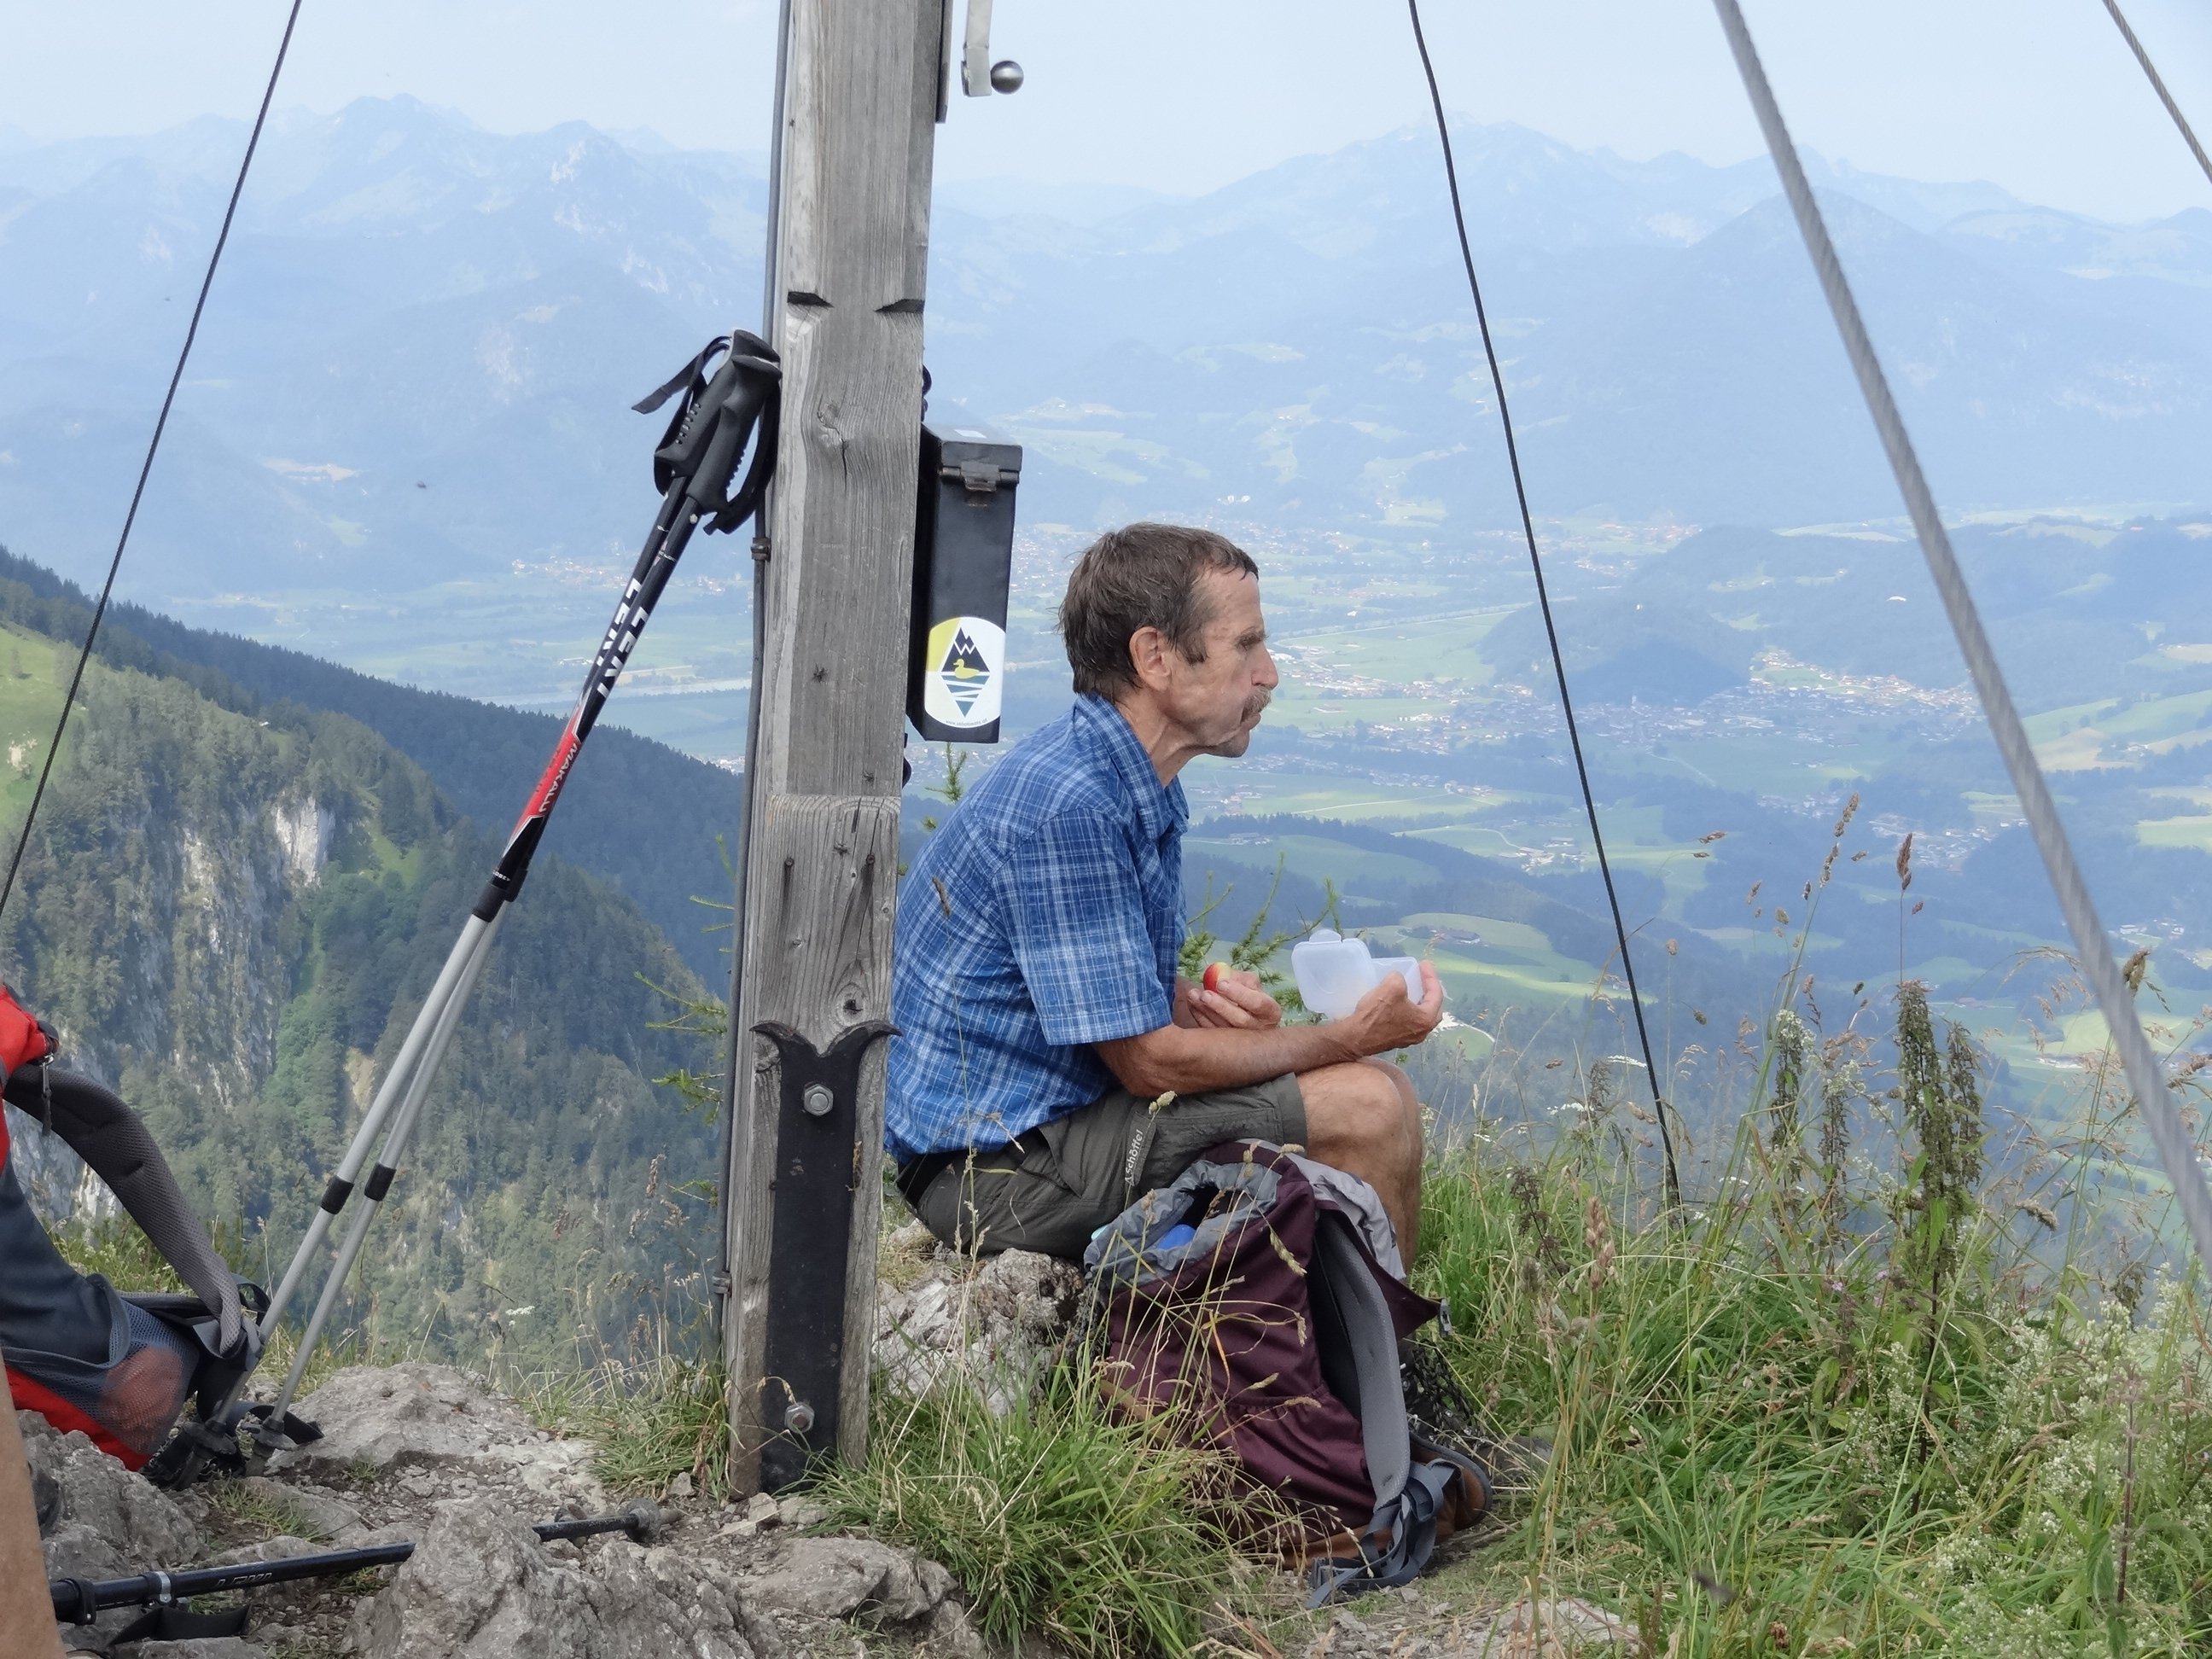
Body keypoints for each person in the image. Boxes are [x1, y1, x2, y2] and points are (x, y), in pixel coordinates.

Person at [888, 521, 1445, 1263]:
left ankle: (1338, 1326)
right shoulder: (1072, 808)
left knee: (1383, 1089)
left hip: (1042, 1128)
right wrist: (1344, 1037)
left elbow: (1095, 1002)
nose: (1269, 673)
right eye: (1246, 645)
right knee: (1367, 1104)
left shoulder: (1124, 779)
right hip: (992, 1172)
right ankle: (1372, 1337)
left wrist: (1203, 1010)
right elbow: (1148, 1064)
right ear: (1155, 656)